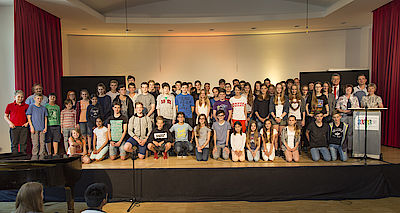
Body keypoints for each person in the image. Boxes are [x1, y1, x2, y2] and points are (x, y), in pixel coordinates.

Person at [336, 84, 359, 154]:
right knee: (343, 133)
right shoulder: (341, 98)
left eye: (349, 89)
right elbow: (337, 108)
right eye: (347, 89)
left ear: (352, 90)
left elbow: (358, 107)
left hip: (352, 117)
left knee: (350, 133)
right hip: (343, 117)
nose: (348, 90)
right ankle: (343, 148)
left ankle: (350, 148)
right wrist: (344, 111)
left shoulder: (355, 98)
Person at [26, 94, 48, 160]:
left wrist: (45, 127)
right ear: (35, 99)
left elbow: (45, 118)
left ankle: (41, 156)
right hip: (34, 128)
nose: (39, 100)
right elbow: (29, 117)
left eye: (40, 99)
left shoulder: (43, 108)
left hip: (42, 128)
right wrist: (31, 127)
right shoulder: (31, 106)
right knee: (35, 143)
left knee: (42, 142)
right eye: (38, 98)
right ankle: (35, 157)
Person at [269, 83, 289, 153]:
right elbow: (271, 109)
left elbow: (286, 109)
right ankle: (276, 149)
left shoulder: (285, 98)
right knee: (275, 135)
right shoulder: (272, 98)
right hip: (274, 118)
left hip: (283, 118)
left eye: (280, 88)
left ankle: (281, 149)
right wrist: (275, 118)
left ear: (282, 89)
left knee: (281, 135)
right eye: (277, 88)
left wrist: (280, 117)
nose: (279, 89)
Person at [45, 93, 61, 157]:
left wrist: (59, 125)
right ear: (48, 98)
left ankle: (55, 153)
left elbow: (59, 116)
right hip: (48, 125)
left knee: (56, 139)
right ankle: (49, 153)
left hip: (56, 125)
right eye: (51, 97)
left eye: (54, 97)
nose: (52, 98)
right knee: (48, 139)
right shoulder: (46, 106)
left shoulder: (57, 107)